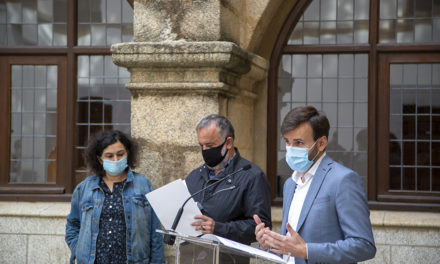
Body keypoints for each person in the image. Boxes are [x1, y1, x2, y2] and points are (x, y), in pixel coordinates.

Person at [254, 106, 376, 264]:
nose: (290, 150)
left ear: (321, 143)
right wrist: (269, 244)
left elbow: (364, 245)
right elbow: (292, 249)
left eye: (298, 143)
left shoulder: (343, 180)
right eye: (287, 142)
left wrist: (307, 251)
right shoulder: (290, 184)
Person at [65, 130, 165, 264]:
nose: (116, 160)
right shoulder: (84, 188)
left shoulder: (143, 185)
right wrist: (79, 250)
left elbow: (155, 231)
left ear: (128, 154)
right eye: (109, 156)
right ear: (100, 159)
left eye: (120, 154)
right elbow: (73, 225)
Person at [184, 114, 272, 261]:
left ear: (228, 142)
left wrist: (217, 228)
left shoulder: (252, 176)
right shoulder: (194, 176)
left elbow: (260, 227)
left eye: (210, 146)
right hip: (192, 257)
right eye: (201, 146)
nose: (205, 151)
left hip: (230, 259)